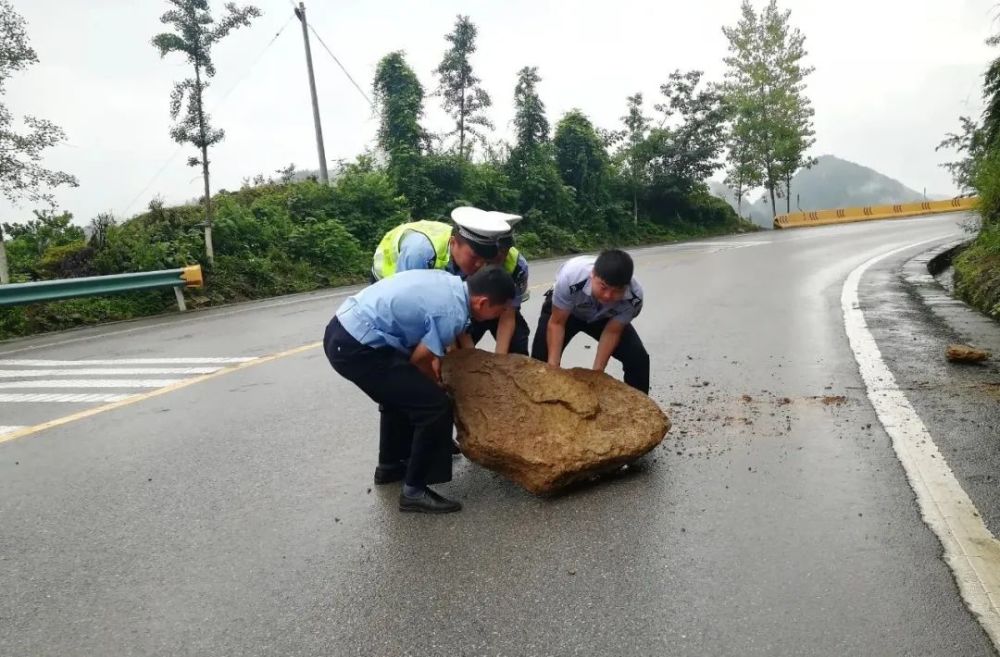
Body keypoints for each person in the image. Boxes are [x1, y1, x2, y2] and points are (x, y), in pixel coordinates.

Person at [324, 266, 516, 514]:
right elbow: (420, 360)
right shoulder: (453, 311)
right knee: (434, 406)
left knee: (401, 395)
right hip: (356, 348)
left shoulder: (449, 283)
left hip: (340, 330)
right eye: (498, 311)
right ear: (482, 303)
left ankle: (390, 466)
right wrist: (434, 385)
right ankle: (414, 490)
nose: (497, 317)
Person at [370, 206, 532, 355]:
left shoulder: (507, 264)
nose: (483, 265)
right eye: (484, 259)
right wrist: (451, 353)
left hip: (450, 298)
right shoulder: (422, 254)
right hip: (396, 284)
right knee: (411, 350)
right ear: (454, 244)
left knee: (515, 342)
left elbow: (460, 310)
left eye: (491, 258)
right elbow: (437, 313)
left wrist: (498, 360)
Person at [531, 249, 649, 394]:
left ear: (625, 287)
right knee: (540, 362)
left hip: (605, 317)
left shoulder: (634, 298)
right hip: (567, 311)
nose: (607, 296)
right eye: (603, 287)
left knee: (638, 358)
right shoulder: (571, 277)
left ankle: (639, 411)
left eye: (616, 291)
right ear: (592, 274)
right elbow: (557, 323)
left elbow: (612, 331)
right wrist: (553, 368)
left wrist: (597, 374)